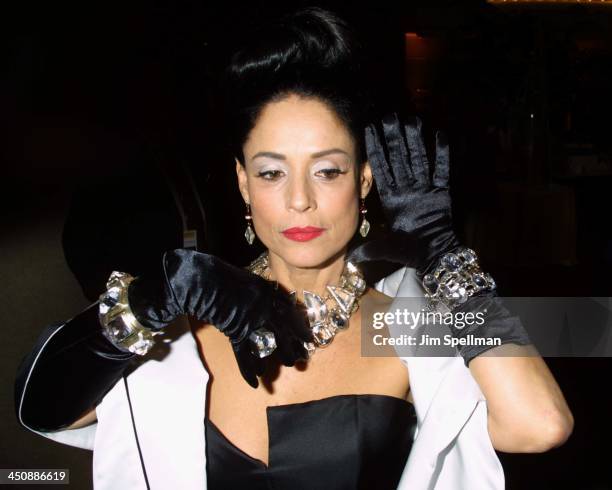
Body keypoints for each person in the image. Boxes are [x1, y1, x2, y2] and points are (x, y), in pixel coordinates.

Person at [14, 7, 573, 489]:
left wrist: (443, 254)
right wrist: (151, 300)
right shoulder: (182, 332)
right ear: (243, 185)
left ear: (364, 182)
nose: (300, 200)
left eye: (327, 171)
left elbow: (540, 424)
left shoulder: (406, 325)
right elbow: (42, 409)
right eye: (272, 172)